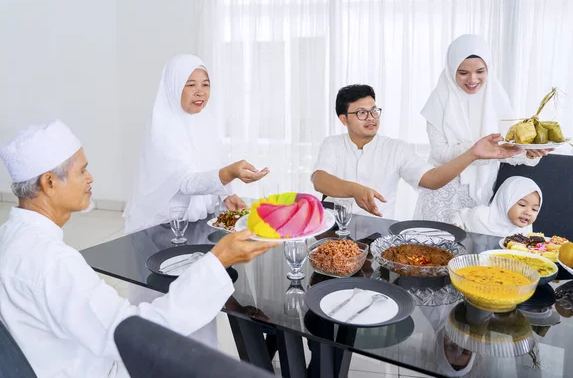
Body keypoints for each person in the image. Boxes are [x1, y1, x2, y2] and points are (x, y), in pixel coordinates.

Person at [0, 120, 279, 378]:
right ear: (49, 183)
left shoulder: (9, 238)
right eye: (82, 170)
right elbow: (136, 334)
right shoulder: (53, 263)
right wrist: (217, 261)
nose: (91, 178)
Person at [311, 84, 522, 219]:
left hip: (377, 234)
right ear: (343, 119)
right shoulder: (332, 144)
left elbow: (432, 179)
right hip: (334, 230)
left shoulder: (396, 148)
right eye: (361, 113)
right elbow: (319, 180)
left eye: (374, 110)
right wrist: (354, 190)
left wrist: (472, 154)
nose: (372, 117)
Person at [123, 54, 269, 234]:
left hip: (196, 224)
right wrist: (230, 173)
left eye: (205, 84)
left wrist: (226, 195)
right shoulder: (163, 125)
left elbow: (214, 162)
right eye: (191, 84)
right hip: (162, 227)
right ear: (173, 87)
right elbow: (186, 182)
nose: (200, 92)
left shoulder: (204, 119)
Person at [414, 34, 551, 223]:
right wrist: (475, 151)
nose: (472, 79)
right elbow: (440, 153)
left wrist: (529, 153)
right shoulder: (439, 100)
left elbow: (504, 149)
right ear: (451, 69)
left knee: (473, 249)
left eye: (480, 71)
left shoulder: (497, 99)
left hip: (479, 198)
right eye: (463, 73)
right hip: (443, 195)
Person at [450, 176, 543, 237]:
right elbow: (459, 215)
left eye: (534, 209)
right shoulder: (480, 215)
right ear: (505, 201)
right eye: (522, 204)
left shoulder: (526, 227)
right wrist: (457, 226)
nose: (528, 212)